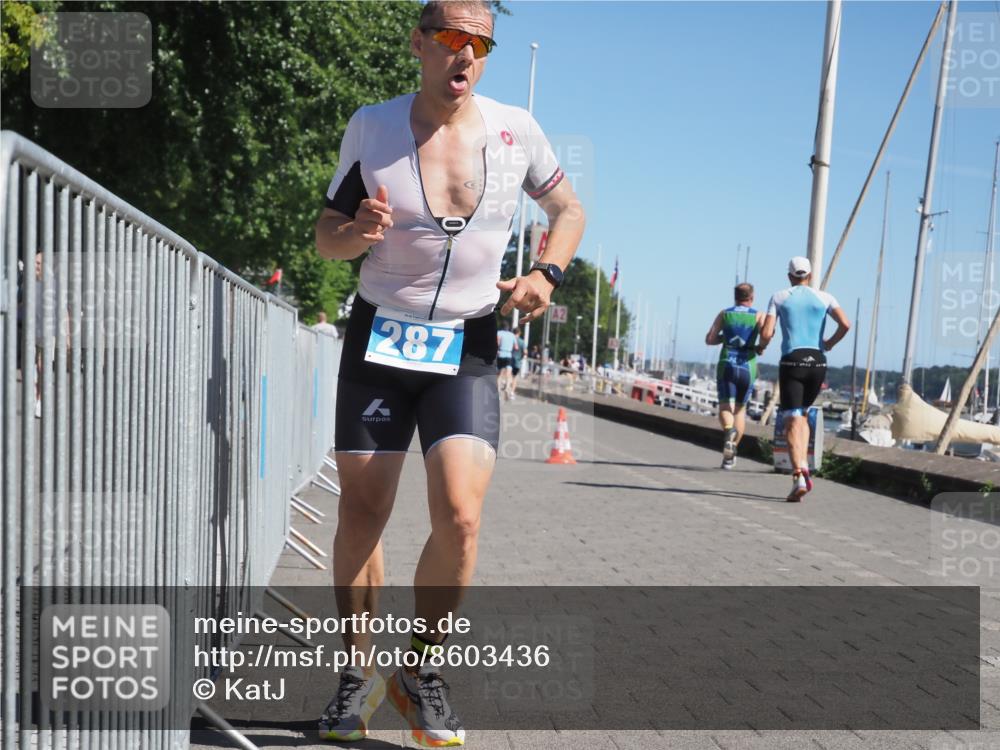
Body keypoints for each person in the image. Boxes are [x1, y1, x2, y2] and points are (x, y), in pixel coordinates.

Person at [313, 1, 585, 745]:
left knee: (461, 516)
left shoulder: (514, 130)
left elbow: (568, 208)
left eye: (480, 45)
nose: (464, 56)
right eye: (449, 40)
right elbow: (324, 237)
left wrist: (547, 273)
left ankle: (421, 674)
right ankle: (355, 677)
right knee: (362, 510)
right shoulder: (371, 126)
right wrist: (355, 233)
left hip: (464, 341)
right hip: (380, 337)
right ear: (419, 44)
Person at [757, 257, 850, 502]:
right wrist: (828, 343)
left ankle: (799, 473)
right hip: (818, 363)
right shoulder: (826, 298)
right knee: (803, 414)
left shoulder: (779, 297)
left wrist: (761, 346)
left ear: (789, 276)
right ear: (809, 276)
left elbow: (767, 332)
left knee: (791, 419)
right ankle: (805, 466)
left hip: (792, 362)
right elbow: (845, 324)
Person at [704, 282, 763, 469]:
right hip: (748, 366)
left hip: (727, 363)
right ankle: (730, 456)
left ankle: (729, 431)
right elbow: (768, 334)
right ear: (751, 297)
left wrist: (725, 338)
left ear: (735, 297)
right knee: (740, 409)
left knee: (724, 406)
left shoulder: (725, 314)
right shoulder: (758, 315)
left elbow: (710, 338)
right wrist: (760, 346)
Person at [496, 320, 517, 400]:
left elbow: (497, 343)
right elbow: (516, 347)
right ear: (508, 328)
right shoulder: (512, 335)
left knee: (499, 374)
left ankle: (498, 390)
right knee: (508, 373)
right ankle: (507, 387)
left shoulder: (499, 333)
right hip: (509, 355)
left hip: (501, 354)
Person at [509, 326, 525, 399]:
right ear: (519, 333)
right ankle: (512, 392)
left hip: (509, 360)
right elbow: (525, 352)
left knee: (509, 375)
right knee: (515, 377)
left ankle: (507, 389)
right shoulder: (522, 342)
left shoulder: (511, 340)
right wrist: (521, 357)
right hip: (517, 361)